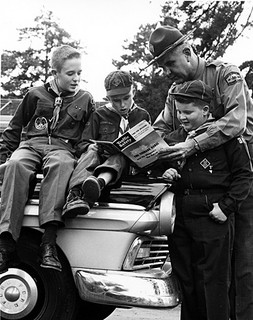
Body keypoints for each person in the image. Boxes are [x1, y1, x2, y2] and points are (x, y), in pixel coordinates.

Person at [146, 25, 253, 320]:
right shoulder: (174, 90)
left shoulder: (224, 74)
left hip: (240, 175)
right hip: (197, 185)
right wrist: (142, 145)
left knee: (242, 264)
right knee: (195, 273)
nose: (168, 71)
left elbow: (235, 122)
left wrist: (191, 145)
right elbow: (163, 127)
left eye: (170, 63)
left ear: (188, 52)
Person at [0, 45, 95, 273]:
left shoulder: (85, 99)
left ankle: (48, 244)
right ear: (55, 72)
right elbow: (14, 129)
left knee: (62, 165)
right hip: (31, 144)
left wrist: (88, 149)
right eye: (70, 73)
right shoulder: (34, 95)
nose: (76, 79)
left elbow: (86, 136)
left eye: (79, 73)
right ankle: (5, 246)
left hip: (62, 148)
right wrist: (3, 157)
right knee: (15, 164)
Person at [62, 70, 151, 218]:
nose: (122, 105)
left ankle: (99, 184)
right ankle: (75, 195)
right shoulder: (99, 114)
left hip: (127, 166)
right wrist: (89, 146)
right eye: (115, 100)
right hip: (97, 161)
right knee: (91, 152)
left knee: (120, 155)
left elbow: (150, 146)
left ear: (133, 92)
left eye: (126, 98)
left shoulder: (142, 115)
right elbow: (82, 143)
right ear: (107, 98)